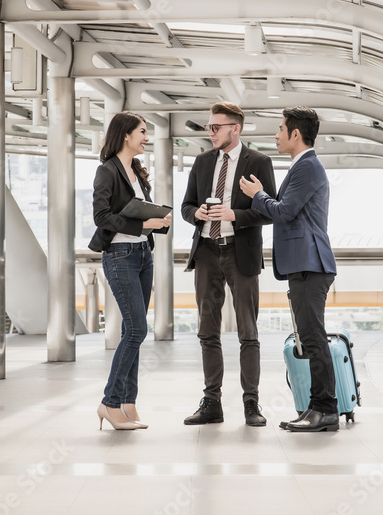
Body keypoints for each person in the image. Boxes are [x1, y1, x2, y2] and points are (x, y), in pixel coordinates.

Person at [239, 106, 339, 433]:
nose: (277, 134)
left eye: (281, 129)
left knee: (313, 338)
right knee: (311, 338)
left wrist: (258, 196)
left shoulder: (307, 167)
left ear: (296, 134)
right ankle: (318, 406)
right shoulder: (301, 167)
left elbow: (285, 212)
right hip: (304, 263)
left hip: (311, 263)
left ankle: (325, 409)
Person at [180, 102, 277, 427]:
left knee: (248, 332)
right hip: (207, 250)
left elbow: (269, 211)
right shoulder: (202, 161)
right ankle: (212, 403)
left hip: (241, 251)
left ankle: (252, 405)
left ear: (235, 129)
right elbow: (186, 205)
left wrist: (234, 214)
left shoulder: (259, 163)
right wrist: (197, 214)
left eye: (215, 127)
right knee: (208, 331)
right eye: (209, 127)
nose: (210, 132)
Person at [89, 112, 172, 430]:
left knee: (131, 332)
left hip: (142, 254)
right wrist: (144, 223)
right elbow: (102, 216)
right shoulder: (106, 171)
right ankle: (109, 404)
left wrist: (158, 221)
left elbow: (141, 212)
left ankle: (127, 403)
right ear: (125, 134)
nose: (146, 137)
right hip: (120, 255)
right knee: (138, 330)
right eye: (142, 131)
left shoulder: (136, 171)